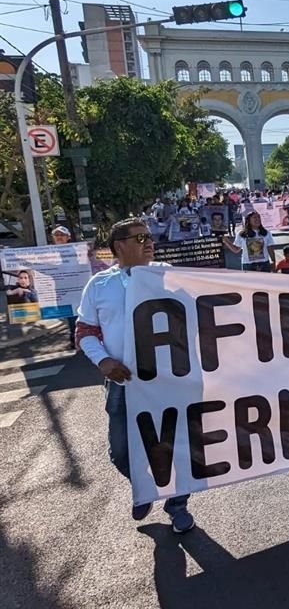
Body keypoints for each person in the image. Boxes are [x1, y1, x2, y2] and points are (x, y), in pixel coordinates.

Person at [75, 218, 194, 533]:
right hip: (123, 383)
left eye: (150, 237)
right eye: (139, 238)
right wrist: (103, 361)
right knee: (121, 451)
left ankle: (177, 505)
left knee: (177, 446)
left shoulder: (169, 275)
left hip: (169, 380)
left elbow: (204, 306)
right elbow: (85, 331)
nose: (149, 242)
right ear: (119, 247)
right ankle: (145, 487)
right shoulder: (99, 285)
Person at [51, 225, 79, 348]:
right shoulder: (47, 253)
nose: (59, 237)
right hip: (60, 288)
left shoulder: (75, 250)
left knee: (75, 315)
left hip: (75, 287)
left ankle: (75, 338)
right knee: (68, 315)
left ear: (68, 237)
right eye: (56, 235)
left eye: (62, 235)